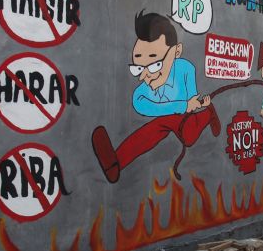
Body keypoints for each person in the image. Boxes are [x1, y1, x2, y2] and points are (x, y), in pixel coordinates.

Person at [91, 11, 220, 182]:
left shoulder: (185, 69)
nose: (144, 76)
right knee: (157, 127)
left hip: (185, 115)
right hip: (174, 113)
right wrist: (180, 106)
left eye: (154, 65)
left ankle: (208, 113)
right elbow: (141, 105)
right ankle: (118, 160)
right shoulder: (143, 89)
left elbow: (191, 99)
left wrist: (193, 104)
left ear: (176, 52)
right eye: (138, 68)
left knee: (188, 137)